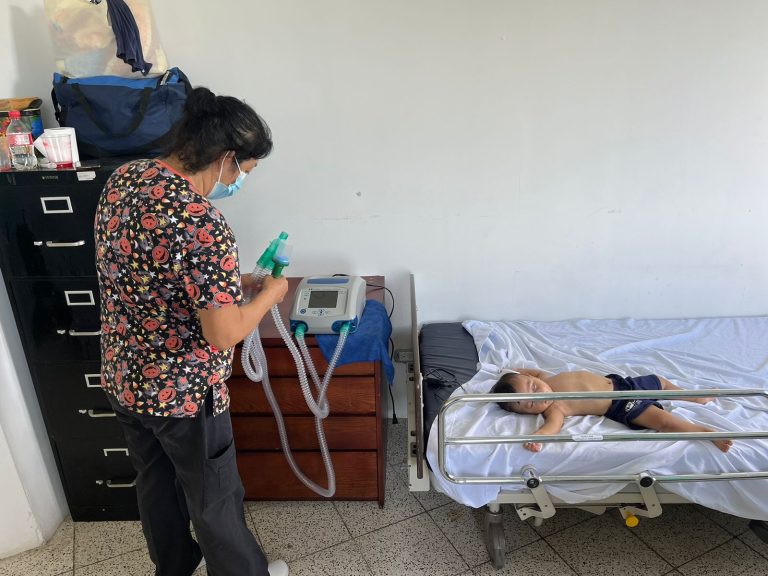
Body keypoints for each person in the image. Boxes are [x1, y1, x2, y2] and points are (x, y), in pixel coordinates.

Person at [95, 87, 290, 576]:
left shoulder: (125, 179)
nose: (238, 183)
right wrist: (269, 295)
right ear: (226, 158)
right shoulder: (202, 222)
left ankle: (174, 568)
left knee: (156, 485)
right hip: (182, 394)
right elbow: (223, 335)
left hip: (125, 377)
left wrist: (233, 283)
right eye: (242, 172)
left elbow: (154, 273)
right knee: (213, 498)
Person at [490, 368, 732, 453]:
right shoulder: (555, 408)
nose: (539, 395)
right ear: (530, 413)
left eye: (534, 387)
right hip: (621, 404)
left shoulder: (545, 378)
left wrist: (510, 371)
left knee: (660, 381)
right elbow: (552, 427)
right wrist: (538, 438)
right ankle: (705, 432)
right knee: (663, 422)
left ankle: (696, 397)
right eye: (531, 404)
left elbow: (530, 372)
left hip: (622, 383)